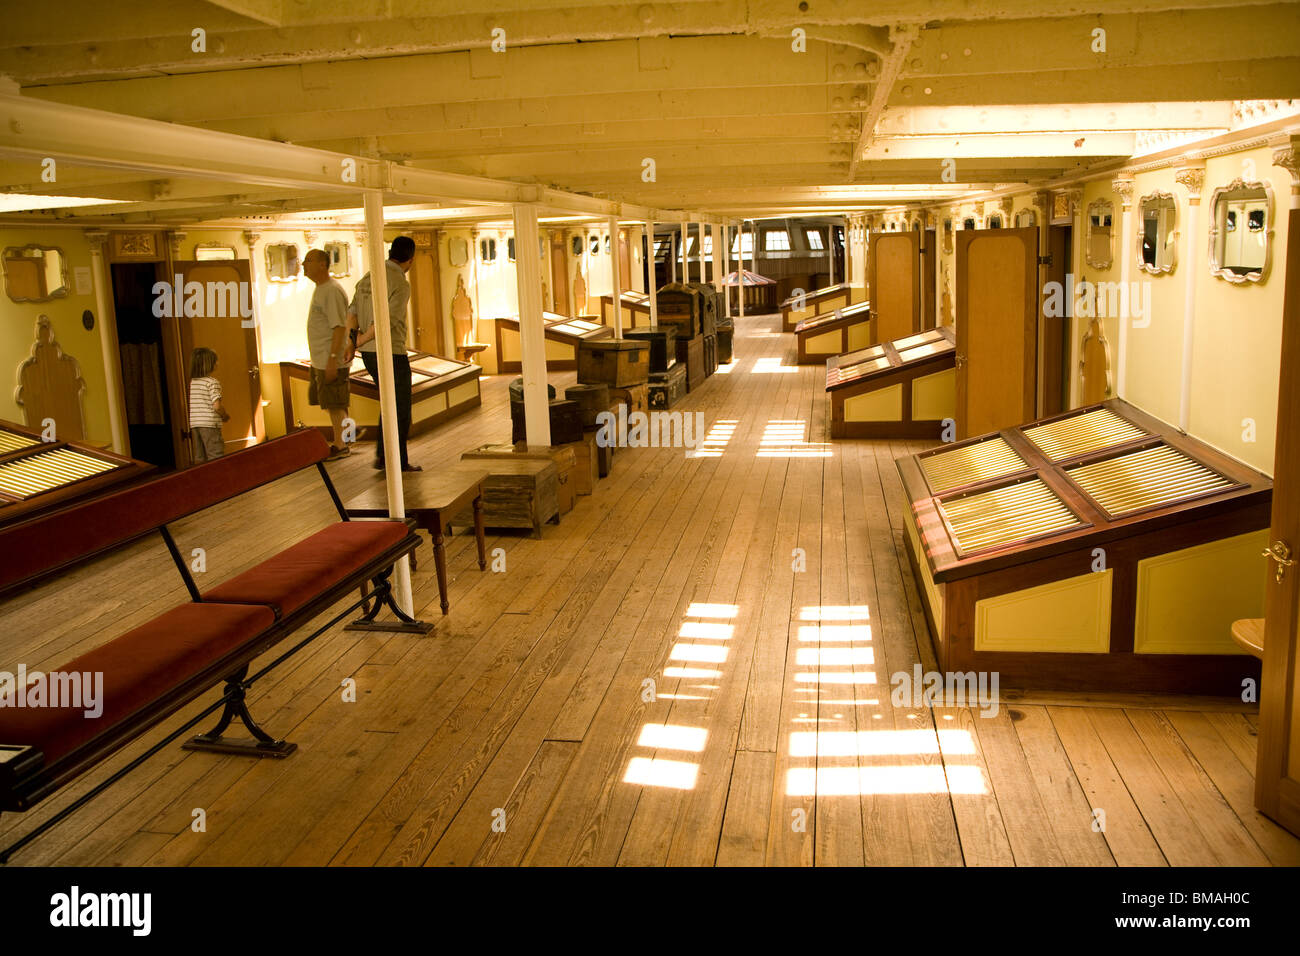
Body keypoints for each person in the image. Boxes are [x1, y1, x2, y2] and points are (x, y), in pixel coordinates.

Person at [349, 235, 420, 471]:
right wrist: (360, 339)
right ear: (410, 259)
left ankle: (383, 456)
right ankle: (397, 462)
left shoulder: (368, 278)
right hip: (390, 352)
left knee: (388, 403)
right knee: (399, 408)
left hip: (369, 354)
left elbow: (352, 311)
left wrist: (354, 342)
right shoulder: (400, 283)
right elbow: (387, 320)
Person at [303, 247, 352, 459]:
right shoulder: (321, 288)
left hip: (330, 359)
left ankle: (341, 445)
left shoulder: (331, 290)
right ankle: (347, 436)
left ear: (322, 265)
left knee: (334, 403)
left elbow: (339, 327)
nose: (303, 264)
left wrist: (333, 359)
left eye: (308, 260)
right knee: (329, 402)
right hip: (321, 359)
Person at [188, 347, 230, 462]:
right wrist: (224, 415)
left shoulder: (193, 382)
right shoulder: (212, 382)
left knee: (200, 456)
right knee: (215, 454)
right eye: (216, 361)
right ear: (210, 364)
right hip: (210, 424)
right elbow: (217, 406)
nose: (218, 363)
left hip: (195, 423)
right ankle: (218, 477)